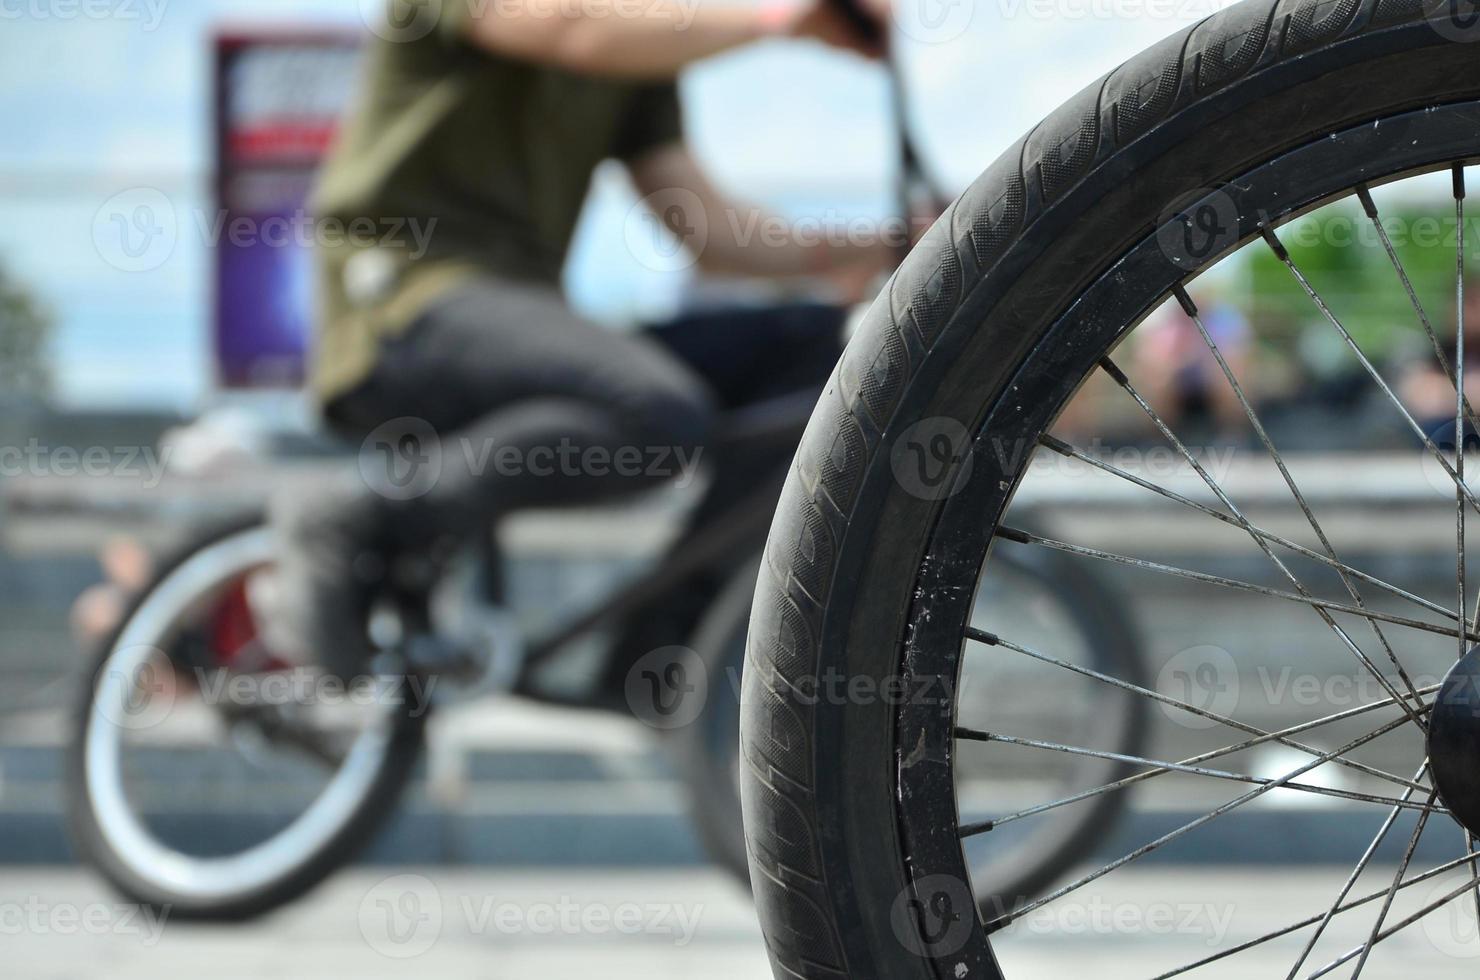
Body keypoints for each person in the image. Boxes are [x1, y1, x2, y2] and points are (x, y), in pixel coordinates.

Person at [270, 0, 899, 678]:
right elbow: (574, 30)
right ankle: (366, 513)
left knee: (818, 354)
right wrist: (781, 21)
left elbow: (703, 228)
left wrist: (880, 249)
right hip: (403, 298)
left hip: (529, 315)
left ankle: (659, 651)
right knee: (654, 409)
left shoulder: (637, 47)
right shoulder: (593, 29)